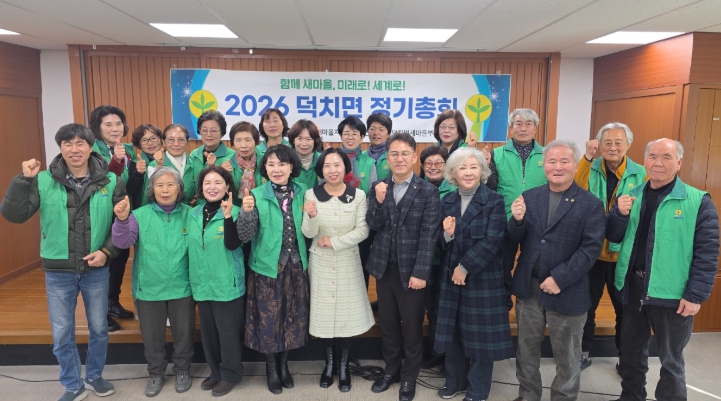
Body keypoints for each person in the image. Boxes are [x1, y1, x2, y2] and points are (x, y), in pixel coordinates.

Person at [1, 123, 125, 401]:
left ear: (91, 147)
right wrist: (23, 180)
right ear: (60, 148)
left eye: (81, 143)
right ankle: (72, 384)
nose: (74, 149)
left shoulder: (111, 181)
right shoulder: (42, 180)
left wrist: (106, 252)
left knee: (99, 328)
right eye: (68, 143)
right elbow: (14, 215)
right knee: (62, 332)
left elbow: (121, 225)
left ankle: (94, 375)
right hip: (58, 270)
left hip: (96, 268)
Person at [606, 139, 719, 401]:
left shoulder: (698, 201)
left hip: (673, 295)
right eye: (653, 157)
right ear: (644, 161)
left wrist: (695, 295)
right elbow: (613, 236)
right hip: (633, 289)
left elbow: (707, 252)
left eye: (666, 157)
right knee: (631, 355)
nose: (658, 163)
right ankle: (631, 396)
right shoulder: (632, 196)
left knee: (670, 361)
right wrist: (618, 215)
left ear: (679, 163)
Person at [507, 139, 605, 401]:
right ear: (544, 165)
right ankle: (528, 395)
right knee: (526, 350)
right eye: (552, 161)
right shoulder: (530, 197)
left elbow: (590, 250)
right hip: (529, 290)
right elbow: (515, 238)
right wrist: (516, 221)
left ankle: (563, 397)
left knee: (568, 356)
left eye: (564, 161)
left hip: (568, 291)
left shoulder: (591, 204)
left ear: (576, 165)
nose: (557, 167)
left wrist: (559, 278)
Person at [365, 133, 442, 401]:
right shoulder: (379, 187)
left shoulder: (428, 191)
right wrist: (378, 201)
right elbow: (373, 225)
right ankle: (391, 370)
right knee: (387, 324)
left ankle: (409, 376)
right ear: (387, 158)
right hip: (384, 269)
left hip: (412, 273)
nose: (400, 158)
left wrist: (421, 273)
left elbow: (429, 236)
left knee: (411, 327)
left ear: (413, 157)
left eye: (405, 153)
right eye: (394, 154)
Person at [436, 147, 514, 401]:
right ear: (453, 173)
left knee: (481, 339)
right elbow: (440, 242)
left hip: (482, 278)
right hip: (451, 279)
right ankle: (455, 381)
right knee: (454, 332)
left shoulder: (494, 200)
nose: (468, 172)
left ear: (482, 171)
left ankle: (478, 390)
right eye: (462, 168)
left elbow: (493, 241)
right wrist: (447, 234)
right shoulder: (446, 201)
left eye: (474, 167)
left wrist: (465, 267)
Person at [111, 167, 194, 397]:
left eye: (170, 185)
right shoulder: (139, 215)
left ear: (179, 189)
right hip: (148, 287)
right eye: (159, 185)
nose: (165, 190)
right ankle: (156, 373)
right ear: (152, 189)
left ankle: (183, 370)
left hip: (183, 286)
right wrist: (122, 219)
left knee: (184, 334)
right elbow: (122, 242)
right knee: (152, 336)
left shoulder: (191, 214)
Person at [237, 145, 310, 395]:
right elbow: (245, 236)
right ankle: (271, 368)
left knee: (292, 316)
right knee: (269, 320)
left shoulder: (303, 192)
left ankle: (284, 365)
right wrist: (246, 212)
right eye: (271, 164)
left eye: (282, 164)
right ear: (265, 169)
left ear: (292, 167)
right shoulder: (256, 195)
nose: (276, 169)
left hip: (296, 265)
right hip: (267, 268)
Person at [574, 122, 646, 372]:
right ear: (599, 145)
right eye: (607, 142)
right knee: (585, 307)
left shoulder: (641, 173)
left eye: (618, 142)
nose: (613, 147)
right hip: (591, 252)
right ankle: (581, 354)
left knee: (625, 310)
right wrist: (586, 158)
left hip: (623, 255)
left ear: (628, 145)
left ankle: (625, 359)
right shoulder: (589, 166)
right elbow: (575, 188)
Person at [301, 147, 373, 393]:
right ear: (321, 170)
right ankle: (329, 363)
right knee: (323, 314)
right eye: (327, 165)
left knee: (346, 315)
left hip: (348, 260)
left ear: (345, 167)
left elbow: (363, 230)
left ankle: (343, 367)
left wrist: (334, 242)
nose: (333, 170)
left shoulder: (358, 195)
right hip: (320, 262)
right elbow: (308, 233)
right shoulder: (311, 193)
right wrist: (311, 217)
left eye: (337, 164)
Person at [189, 165, 246, 397]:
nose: (212, 187)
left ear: (227, 187)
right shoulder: (193, 213)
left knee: (228, 333)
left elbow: (233, 244)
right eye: (207, 183)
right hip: (201, 282)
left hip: (226, 283)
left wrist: (228, 215)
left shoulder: (238, 212)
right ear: (201, 188)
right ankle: (215, 371)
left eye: (218, 183)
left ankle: (230, 374)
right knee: (209, 332)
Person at [491, 108, 547, 311]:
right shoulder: (496, 154)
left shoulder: (547, 154)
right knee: (503, 265)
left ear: (535, 128)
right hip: (505, 219)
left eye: (528, 124)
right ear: (511, 127)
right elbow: (491, 187)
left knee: (533, 265)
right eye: (518, 123)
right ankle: (503, 305)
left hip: (538, 221)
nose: (523, 128)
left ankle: (531, 307)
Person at [89, 105, 136, 330]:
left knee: (119, 257)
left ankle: (112, 302)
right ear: (97, 127)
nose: (115, 128)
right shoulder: (91, 151)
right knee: (103, 262)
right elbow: (103, 180)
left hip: (122, 212)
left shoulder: (127, 149)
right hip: (101, 213)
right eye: (108, 124)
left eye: (118, 123)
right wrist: (116, 162)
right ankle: (99, 313)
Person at [418, 145, 455, 370]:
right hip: (424, 260)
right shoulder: (417, 188)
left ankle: (447, 356)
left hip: (447, 258)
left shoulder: (454, 190)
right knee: (430, 308)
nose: (433, 167)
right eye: (428, 164)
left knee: (445, 309)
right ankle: (435, 352)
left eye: (439, 163)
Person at [149, 124, 196, 204]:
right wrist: (159, 166)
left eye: (181, 140)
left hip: (188, 210)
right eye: (171, 140)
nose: (176, 144)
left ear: (187, 142)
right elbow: (150, 193)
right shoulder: (154, 165)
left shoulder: (194, 163)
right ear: (164, 142)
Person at [125, 124, 164, 209]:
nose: (150, 143)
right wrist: (138, 174)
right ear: (139, 144)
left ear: (161, 139)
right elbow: (130, 191)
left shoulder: (169, 159)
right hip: (143, 210)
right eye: (144, 140)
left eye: (153, 138)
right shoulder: (136, 163)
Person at [189, 110, 235, 180]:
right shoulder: (194, 155)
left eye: (213, 131)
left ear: (222, 133)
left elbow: (235, 184)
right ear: (199, 131)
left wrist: (218, 168)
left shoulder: (232, 156)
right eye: (204, 130)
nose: (209, 134)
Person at [255, 108, 291, 186]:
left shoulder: (293, 149)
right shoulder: (256, 151)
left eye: (275, 120)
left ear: (283, 124)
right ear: (262, 126)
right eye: (267, 122)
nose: (272, 125)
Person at [228, 121, 261, 205]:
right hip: (234, 209)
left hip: (262, 209)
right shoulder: (226, 163)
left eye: (248, 140)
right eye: (238, 140)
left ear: (256, 141)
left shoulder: (266, 161)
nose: (243, 145)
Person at [289, 119, 323, 190]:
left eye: (308, 139)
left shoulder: (323, 159)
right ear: (293, 140)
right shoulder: (287, 160)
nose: (304, 144)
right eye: (299, 138)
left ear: (314, 141)